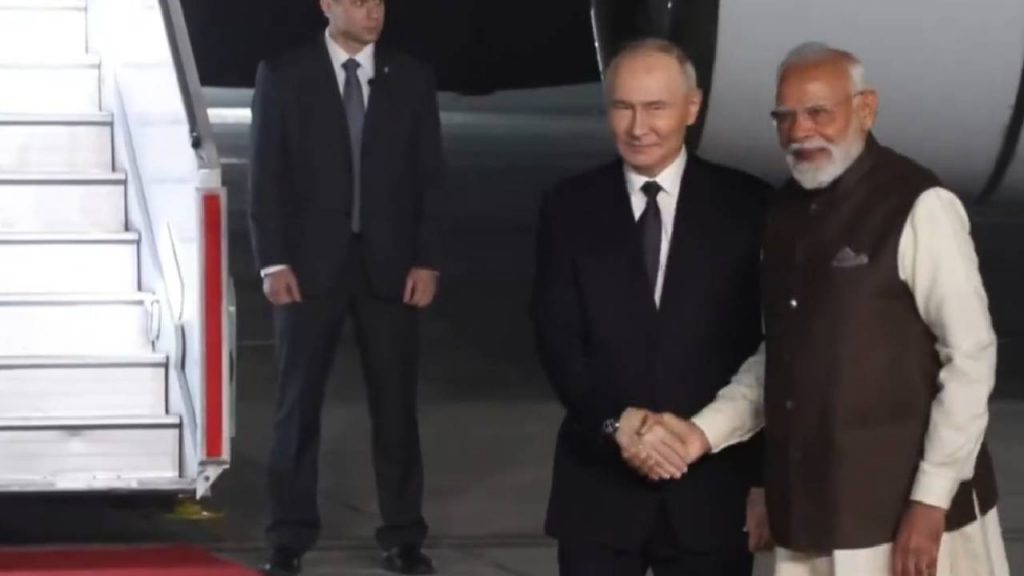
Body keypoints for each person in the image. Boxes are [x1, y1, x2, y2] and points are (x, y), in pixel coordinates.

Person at [649, 42, 1011, 576]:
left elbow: (971, 358)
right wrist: (710, 440)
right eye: (785, 117)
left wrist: (931, 501)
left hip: (906, 523)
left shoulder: (918, 205)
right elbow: (782, 359)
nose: (800, 131)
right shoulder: (784, 213)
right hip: (811, 518)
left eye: (818, 112)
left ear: (866, 109)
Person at [530, 38, 772, 576]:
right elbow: (556, 336)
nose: (638, 127)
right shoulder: (569, 206)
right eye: (623, 107)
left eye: (656, 107)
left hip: (713, 495)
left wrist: (762, 482)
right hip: (599, 493)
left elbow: (771, 349)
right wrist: (617, 422)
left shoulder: (748, 206)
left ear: (692, 107)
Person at [248, 0, 444, 573]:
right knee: (297, 407)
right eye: (359, 1)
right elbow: (266, 174)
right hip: (308, 270)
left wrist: (427, 260)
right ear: (327, 5)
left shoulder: (411, 77)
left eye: (378, 1)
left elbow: (430, 175)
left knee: (396, 409)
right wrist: (272, 262)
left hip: (391, 268)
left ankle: (403, 537)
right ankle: (287, 538)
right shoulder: (284, 74)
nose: (373, 11)